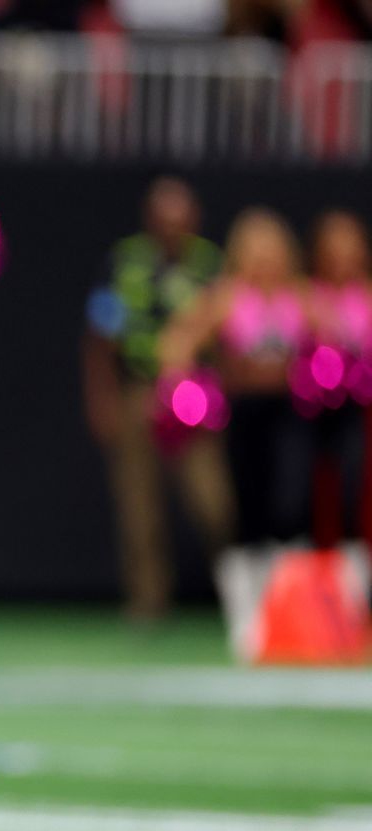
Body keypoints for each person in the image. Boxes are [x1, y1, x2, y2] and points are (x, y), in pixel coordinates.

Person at [160, 208, 310, 658]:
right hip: (243, 418)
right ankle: (246, 618)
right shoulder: (226, 297)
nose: (264, 258)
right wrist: (185, 386)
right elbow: (176, 341)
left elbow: (342, 334)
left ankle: (288, 613)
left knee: (288, 513)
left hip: (291, 417)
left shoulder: (301, 297)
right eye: (255, 249)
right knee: (244, 513)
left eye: (272, 249)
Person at [81, 177, 232, 624]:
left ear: (194, 219)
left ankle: (235, 594)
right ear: (149, 219)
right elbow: (100, 336)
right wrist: (102, 397)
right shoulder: (125, 261)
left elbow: (227, 336)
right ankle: (148, 602)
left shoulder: (211, 265)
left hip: (193, 395)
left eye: (179, 216)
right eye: (162, 216)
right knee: (138, 503)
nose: (170, 225)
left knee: (212, 502)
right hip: (138, 390)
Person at [304, 209, 372, 561]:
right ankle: (326, 566)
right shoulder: (304, 296)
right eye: (334, 244)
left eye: (350, 243)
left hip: (365, 416)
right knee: (325, 486)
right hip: (317, 415)